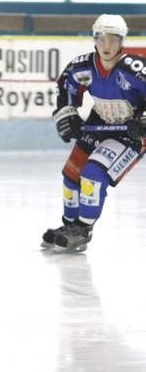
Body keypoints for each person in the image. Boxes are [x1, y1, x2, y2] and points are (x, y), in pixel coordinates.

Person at [42, 14, 146, 253]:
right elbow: (64, 89)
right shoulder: (82, 66)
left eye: (113, 39)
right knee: (71, 175)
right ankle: (69, 225)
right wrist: (67, 115)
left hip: (131, 135)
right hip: (98, 125)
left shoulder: (136, 69)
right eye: (101, 39)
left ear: (122, 41)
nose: (106, 45)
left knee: (92, 174)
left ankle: (82, 229)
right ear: (94, 39)